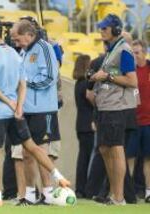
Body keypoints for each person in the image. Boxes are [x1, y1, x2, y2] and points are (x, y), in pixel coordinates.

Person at [0, 19, 70, 207]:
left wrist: (24, 90)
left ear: (29, 34)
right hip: (22, 110)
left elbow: (50, 78)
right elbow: (20, 82)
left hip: (41, 109)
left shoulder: (44, 48)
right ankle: (29, 195)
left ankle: (47, 192)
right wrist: (19, 105)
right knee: (26, 153)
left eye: (18, 39)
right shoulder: (19, 52)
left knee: (38, 150)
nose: (16, 42)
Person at [90, 14, 138, 205]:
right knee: (104, 149)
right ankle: (113, 193)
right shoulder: (112, 50)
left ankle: (119, 197)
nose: (101, 31)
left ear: (116, 30)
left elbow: (132, 81)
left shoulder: (123, 50)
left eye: (105, 28)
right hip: (105, 106)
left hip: (116, 107)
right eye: (101, 28)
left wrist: (106, 76)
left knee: (116, 149)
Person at [128, 39, 150, 203]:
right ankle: (128, 191)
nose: (134, 55)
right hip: (132, 121)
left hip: (149, 122)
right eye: (132, 52)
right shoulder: (129, 71)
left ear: (144, 53)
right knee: (130, 158)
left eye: (137, 52)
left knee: (148, 159)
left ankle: (148, 191)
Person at [72, 54, 94, 198]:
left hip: (80, 123)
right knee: (89, 157)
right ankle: (86, 188)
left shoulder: (78, 83)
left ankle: (80, 187)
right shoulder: (86, 83)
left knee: (83, 157)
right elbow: (90, 97)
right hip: (89, 124)